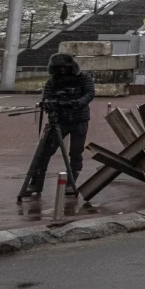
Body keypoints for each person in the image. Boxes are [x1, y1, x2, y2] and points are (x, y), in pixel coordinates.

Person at [26, 52, 95, 195]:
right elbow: (46, 96)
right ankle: (36, 183)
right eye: (59, 67)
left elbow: (89, 93)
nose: (62, 70)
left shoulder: (83, 77)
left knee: (76, 153)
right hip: (59, 121)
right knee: (45, 152)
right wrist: (49, 104)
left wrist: (78, 103)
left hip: (79, 119)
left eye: (65, 67)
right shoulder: (53, 81)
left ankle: (71, 183)